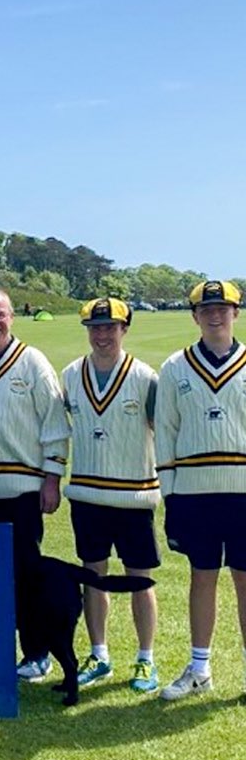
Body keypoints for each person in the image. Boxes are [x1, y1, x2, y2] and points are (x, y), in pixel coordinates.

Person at [0, 288, 69, 683]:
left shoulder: (33, 361)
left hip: (24, 486)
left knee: (26, 573)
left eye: (1, 315)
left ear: (12, 317)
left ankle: (37, 653)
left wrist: (52, 477)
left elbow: (55, 423)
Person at [61, 297, 161, 693]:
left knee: (141, 580)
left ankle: (145, 659)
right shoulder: (70, 375)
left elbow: (160, 430)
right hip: (87, 494)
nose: (102, 335)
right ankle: (99, 653)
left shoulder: (145, 377)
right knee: (93, 577)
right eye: (95, 327)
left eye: (110, 327)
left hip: (134, 495)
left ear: (124, 329)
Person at [155, 279, 246, 700]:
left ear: (236, 313)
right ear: (194, 316)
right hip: (194, 492)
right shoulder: (175, 367)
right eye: (207, 309)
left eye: (223, 308)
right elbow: (166, 433)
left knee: (245, 579)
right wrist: (170, 495)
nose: (215, 315)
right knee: (202, 575)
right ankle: (200, 667)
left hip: (242, 491)